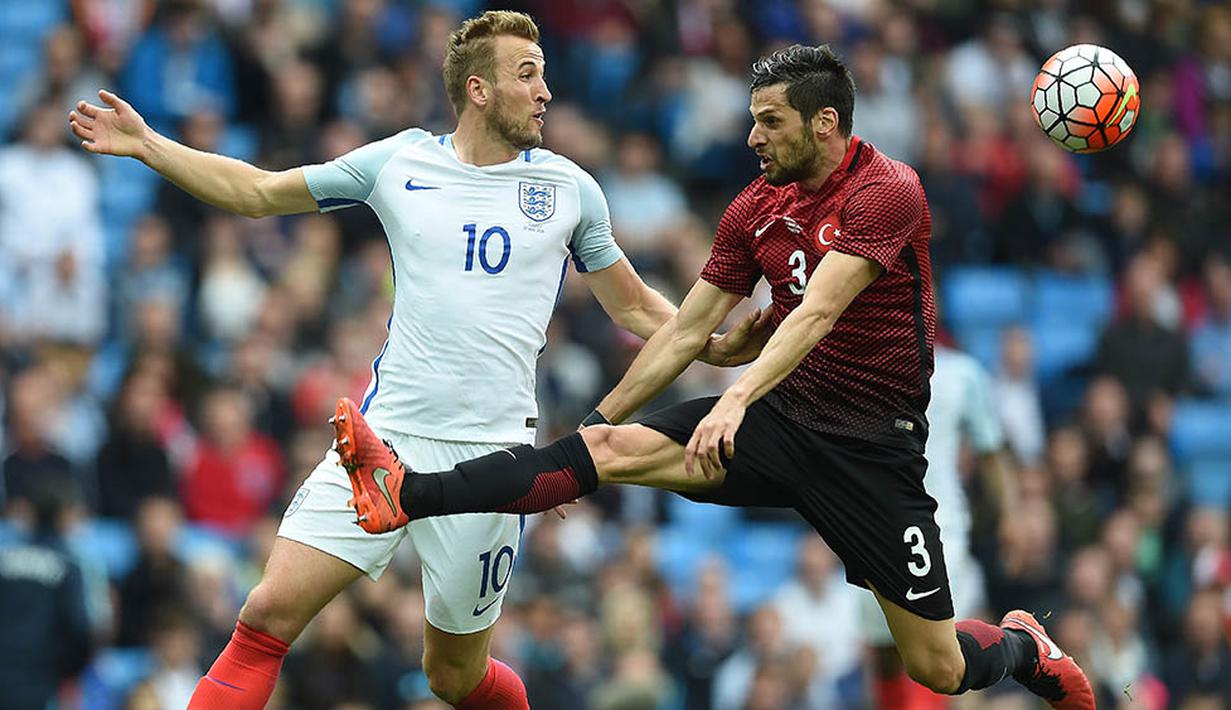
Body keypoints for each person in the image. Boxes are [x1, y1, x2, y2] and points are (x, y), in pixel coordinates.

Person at [336, 44, 1097, 709]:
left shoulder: (887, 190)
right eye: (752, 118)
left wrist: (734, 398)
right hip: (782, 422)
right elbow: (683, 332)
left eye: (769, 121)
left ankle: (1025, 647)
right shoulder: (754, 207)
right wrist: (597, 423)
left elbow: (815, 313)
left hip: (871, 452)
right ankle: (407, 491)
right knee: (605, 452)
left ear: (824, 123)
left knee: (937, 666)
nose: (752, 136)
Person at [69, 10, 765, 710]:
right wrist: (150, 145)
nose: (545, 92)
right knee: (265, 614)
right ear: (479, 90)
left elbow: (635, 307)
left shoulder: (568, 189)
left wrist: (711, 347)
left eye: (545, 74)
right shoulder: (399, 162)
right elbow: (257, 193)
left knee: (452, 676)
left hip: (493, 460)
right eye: (527, 75)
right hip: (385, 439)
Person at [858, 343, 1018, 708]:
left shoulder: (963, 373)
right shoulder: (862, 365)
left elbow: (991, 451)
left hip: (941, 525)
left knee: (945, 643)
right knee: (884, 648)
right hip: (873, 526)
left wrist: (1010, 516)